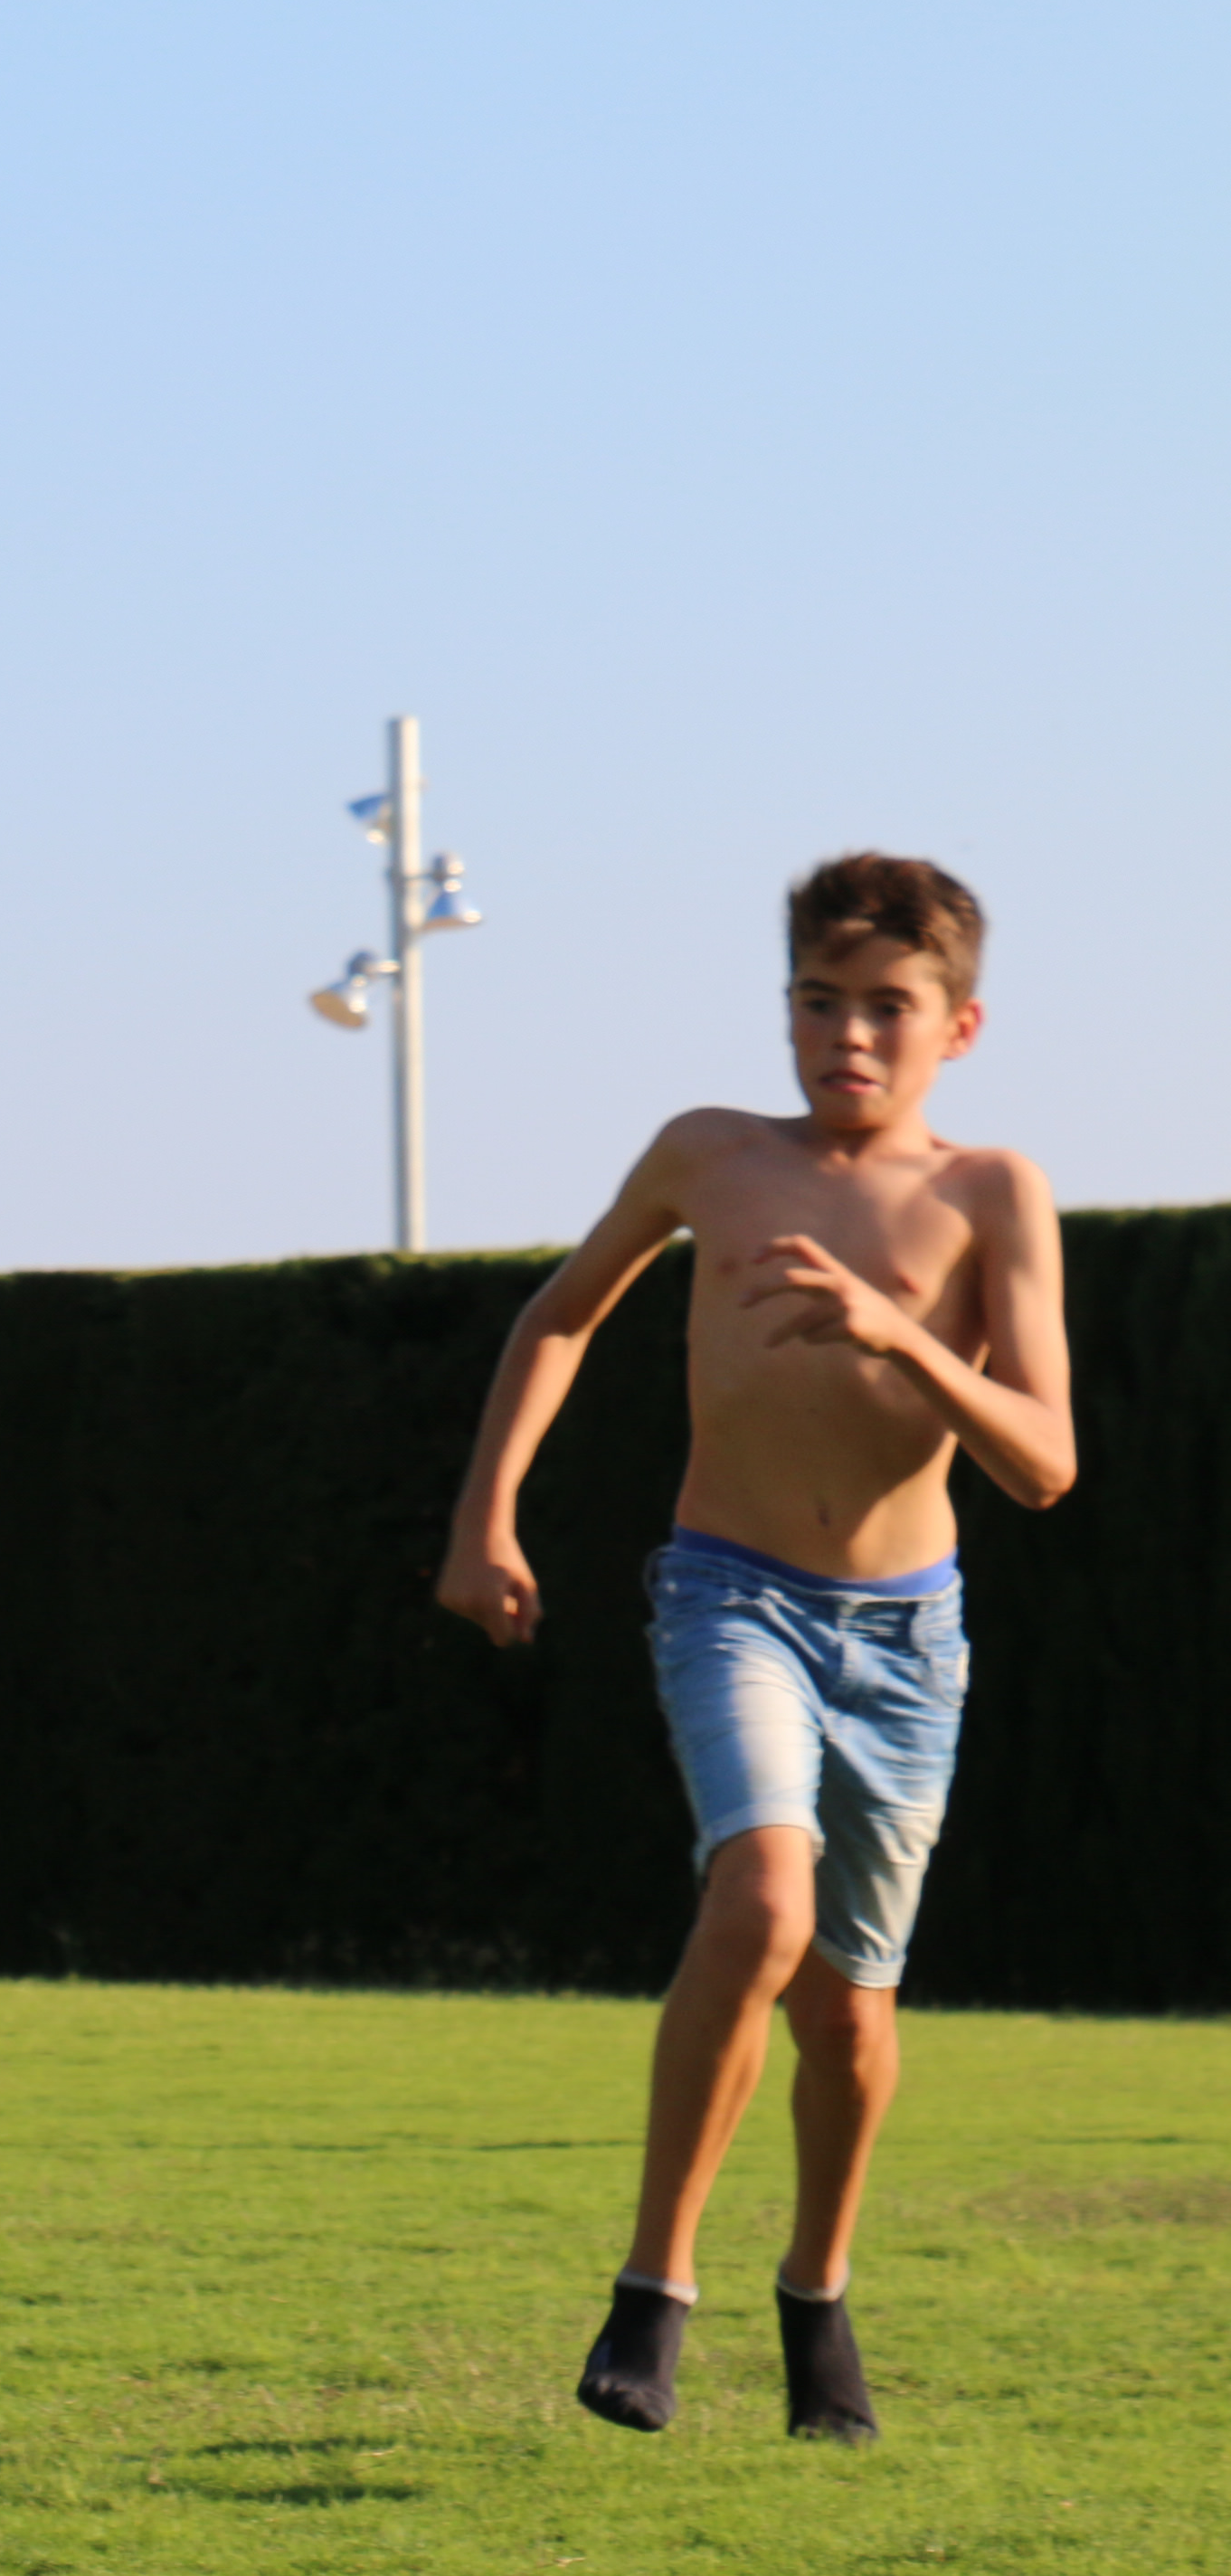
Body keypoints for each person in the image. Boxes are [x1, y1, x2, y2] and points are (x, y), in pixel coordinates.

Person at [437, 853, 1072, 2445]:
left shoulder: (991, 1193)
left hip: (906, 1639)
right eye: (816, 999)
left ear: (959, 1025)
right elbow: (561, 1314)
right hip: (730, 1594)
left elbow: (1045, 1461)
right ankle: (652, 2289)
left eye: (887, 1007)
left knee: (850, 2015)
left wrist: (898, 1333)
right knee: (763, 1897)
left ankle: (816, 2292)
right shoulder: (706, 1155)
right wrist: (485, 1518)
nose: (847, 1034)